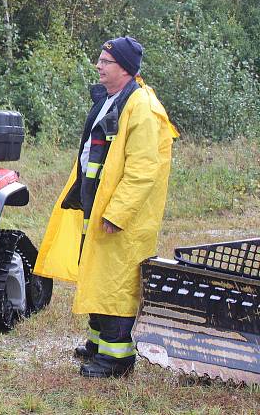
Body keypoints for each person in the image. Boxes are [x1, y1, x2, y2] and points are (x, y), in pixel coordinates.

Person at [33, 36, 179, 378]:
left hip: (119, 217)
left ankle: (117, 360)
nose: (98, 66)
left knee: (116, 284)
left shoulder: (141, 105)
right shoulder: (113, 100)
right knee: (97, 277)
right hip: (96, 207)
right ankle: (98, 345)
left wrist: (117, 213)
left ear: (124, 68)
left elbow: (143, 170)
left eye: (105, 61)